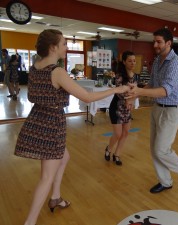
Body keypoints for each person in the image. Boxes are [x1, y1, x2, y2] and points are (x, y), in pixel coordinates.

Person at [14, 29, 130, 225]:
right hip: (51, 125)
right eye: (64, 44)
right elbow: (87, 97)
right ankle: (30, 222)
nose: (67, 47)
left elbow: (32, 96)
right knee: (46, 177)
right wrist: (117, 88)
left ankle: (55, 197)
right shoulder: (57, 72)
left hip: (37, 120)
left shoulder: (34, 68)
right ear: (53, 47)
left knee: (64, 156)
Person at [127, 28, 178, 194]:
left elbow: (164, 90)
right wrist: (136, 95)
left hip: (172, 111)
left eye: (159, 42)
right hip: (157, 108)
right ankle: (165, 181)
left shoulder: (176, 64)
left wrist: (140, 92)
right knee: (154, 148)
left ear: (168, 43)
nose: (155, 44)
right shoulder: (157, 61)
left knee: (161, 149)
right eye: (154, 41)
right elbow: (153, 85)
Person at [104, 51, 137, 166]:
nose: (132, 63)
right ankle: (108, 149)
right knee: (117, 134)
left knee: (126, 132)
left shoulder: (135, 75)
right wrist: (129, 99)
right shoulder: (119, 75)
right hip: (117, 107)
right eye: (130, 60)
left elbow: (136, 92)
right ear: (124, 62)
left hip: (127, 108)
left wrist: (132, 100)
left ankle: (117, 154)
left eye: (134, 60)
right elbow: (119, 92)